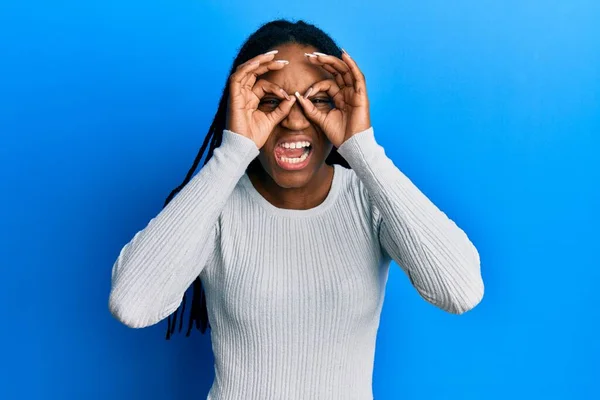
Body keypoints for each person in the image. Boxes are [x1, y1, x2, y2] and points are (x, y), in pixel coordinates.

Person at [108, 18, 484, 400]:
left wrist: (363, 148)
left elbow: (460, 291)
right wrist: (233, 151)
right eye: (271, 101)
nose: (293, 118)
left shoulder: (369, 199)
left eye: (318, 100)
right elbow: (132, 305)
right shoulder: (213, 203)